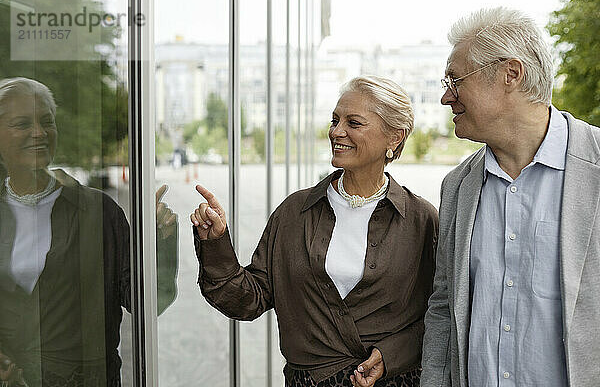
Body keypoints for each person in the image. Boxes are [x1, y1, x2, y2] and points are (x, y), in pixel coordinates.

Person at [191, 75, 439, 387]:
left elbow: (440, 314)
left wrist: (391, 355)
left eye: (354, 122)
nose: (337, 131)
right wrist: (216, 242)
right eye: (335, 120)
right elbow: (247, 300)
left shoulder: (421, 220)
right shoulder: (295, 212)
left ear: (394, 137)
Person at [421, 7, 600, 387]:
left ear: (510, 74)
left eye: (455, 80)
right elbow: (443, 307)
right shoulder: (457, 186)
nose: (445, 98)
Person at [0, 77, 178, 386]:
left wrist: (160, 242)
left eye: (47, 122)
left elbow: (148, 302)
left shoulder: (99, 212)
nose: (39, 133)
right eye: (21, 124)